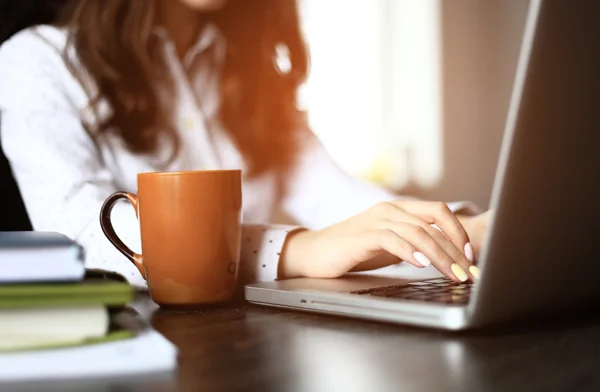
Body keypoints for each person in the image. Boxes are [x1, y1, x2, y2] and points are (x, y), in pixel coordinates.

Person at [0, 0, 491, 289]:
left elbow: (330, 195)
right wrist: (297, 250)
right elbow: (84, 235)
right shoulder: (36, 65)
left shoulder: (247, 67)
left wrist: (468, 231)